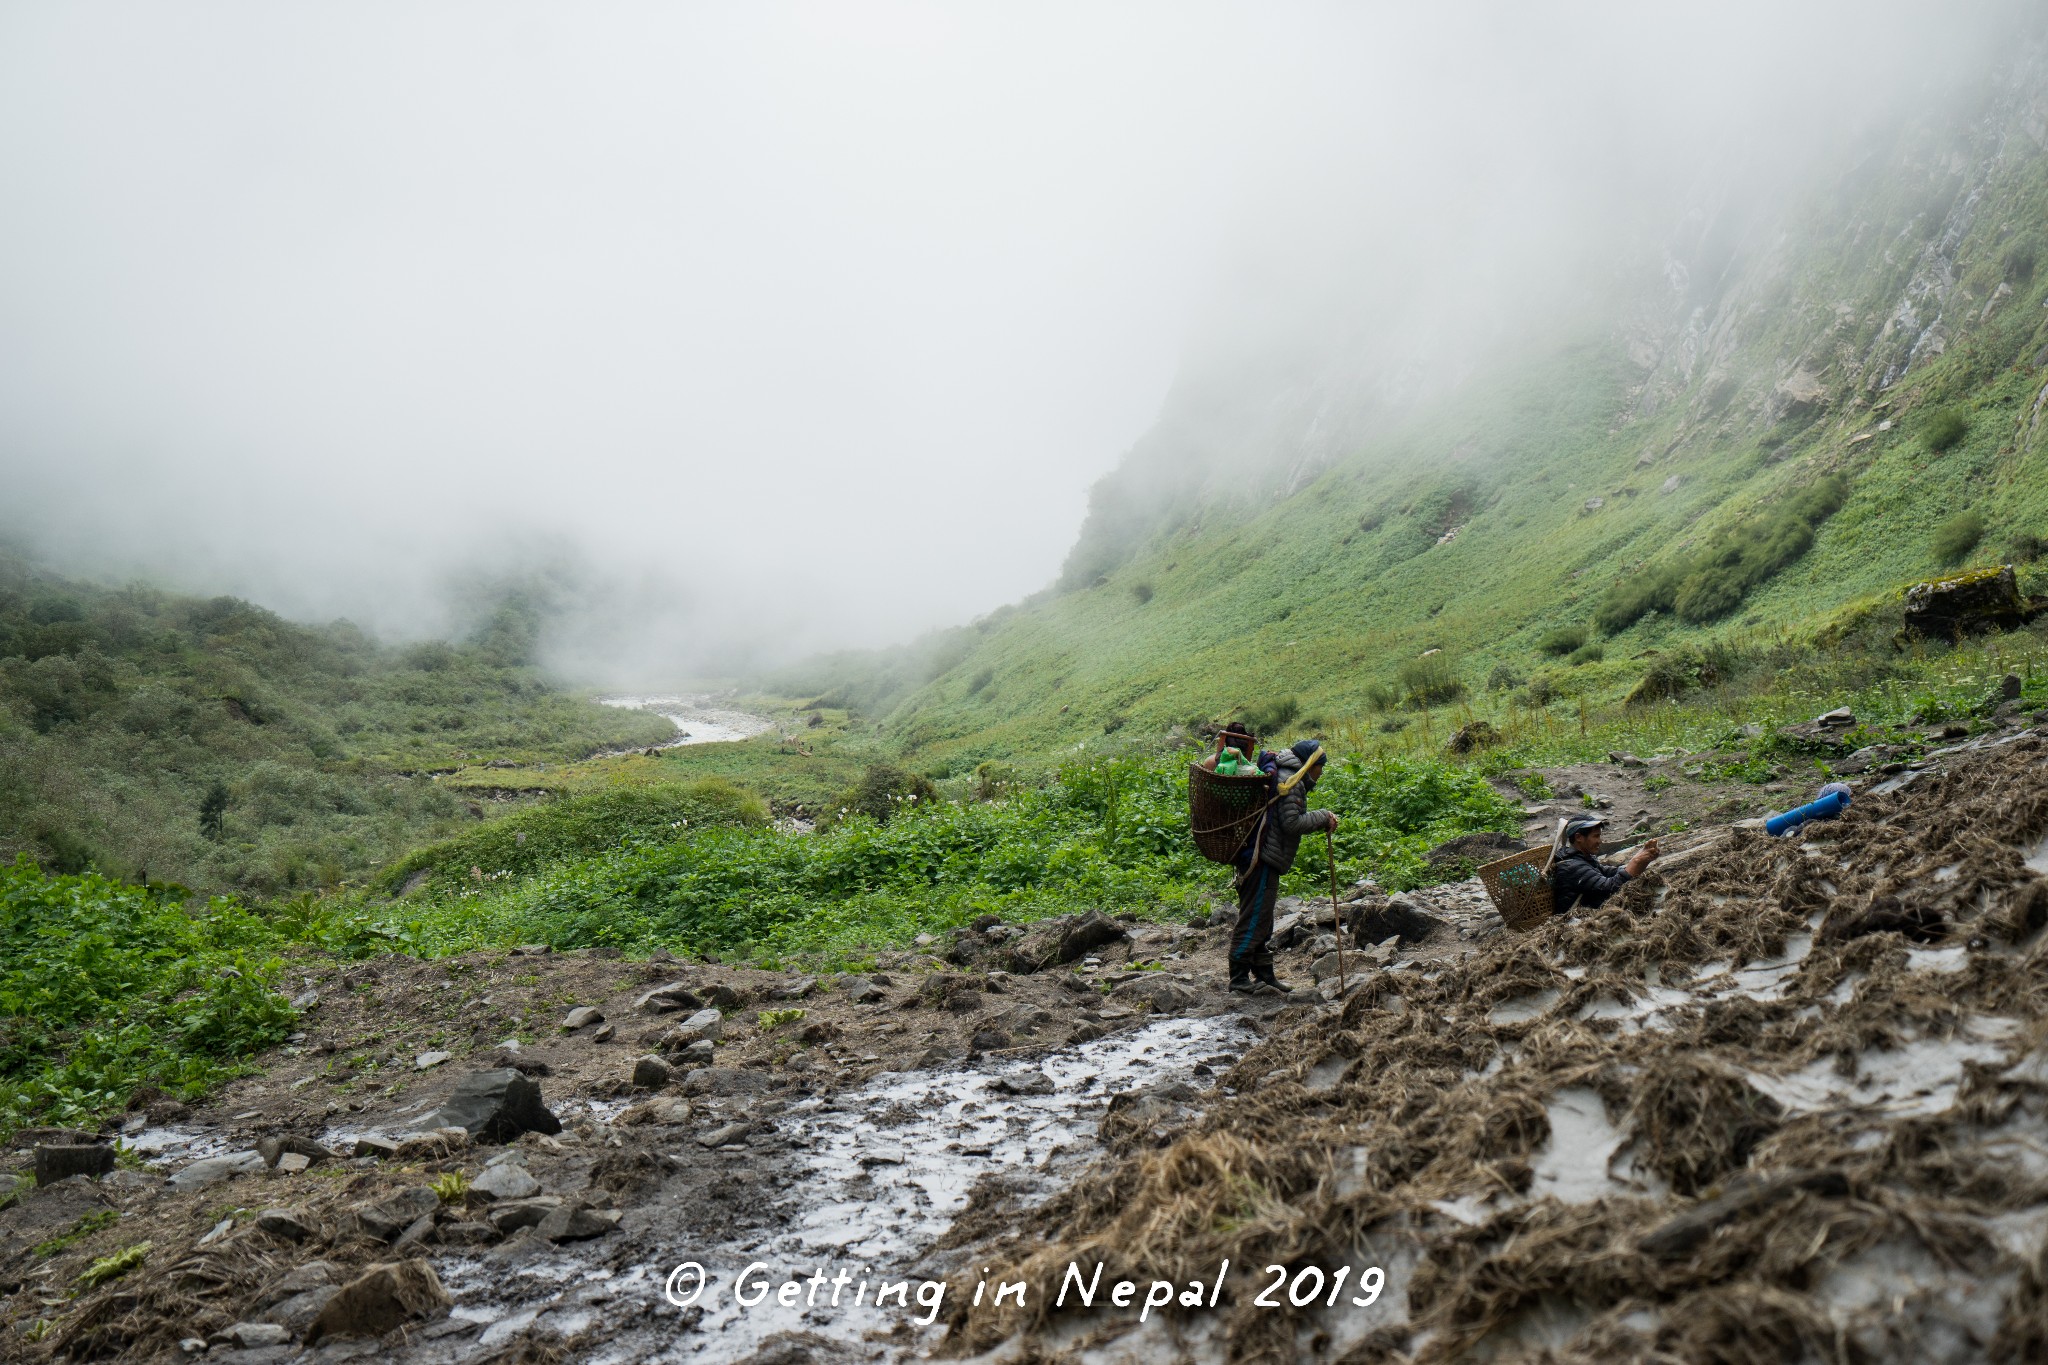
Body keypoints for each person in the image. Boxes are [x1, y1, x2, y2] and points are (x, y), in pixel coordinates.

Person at [1229, 739, 1340, 996]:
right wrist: (1323, 817)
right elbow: (1291, 822)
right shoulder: (1292, 782)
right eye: (1320, 768)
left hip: (1260, 856)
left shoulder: (1285, 774)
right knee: (1255, 917)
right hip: (1263, 858)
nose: (1320, 774)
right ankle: (1238, 977)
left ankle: (1264, 975)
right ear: (1311, 763)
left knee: (1263, 919)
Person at [1546, 816, 1658, 917]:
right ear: (1579, 837)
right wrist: (1636, 861)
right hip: (1573, 923)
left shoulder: (1582, 858)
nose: (1600, 841)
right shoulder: (1571, 867)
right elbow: (1610, 888)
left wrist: (1643, 861)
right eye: (1596, 836)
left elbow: (1607, 872)